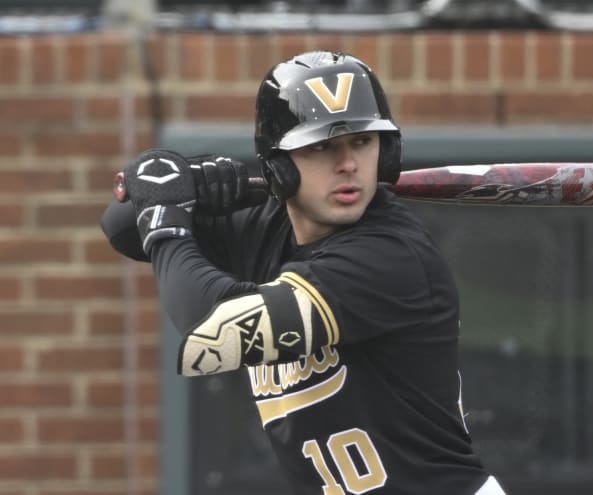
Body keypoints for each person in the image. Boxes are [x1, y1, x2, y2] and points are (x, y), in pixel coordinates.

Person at [101, 50, 506, 495]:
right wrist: (186, 179)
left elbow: (209, 331)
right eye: (320, 146)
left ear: (386, 152)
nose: (348, 163)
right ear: (276, 163)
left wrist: (167, 221)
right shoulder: (265, 225)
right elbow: (120, 225)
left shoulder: (391, 256)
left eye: (362, 141)